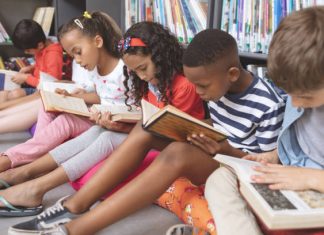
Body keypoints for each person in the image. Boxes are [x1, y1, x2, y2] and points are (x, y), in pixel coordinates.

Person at [8, 28, 285, 235]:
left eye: (202, 88)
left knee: (176, 152)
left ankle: (76, 229)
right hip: (216, 149)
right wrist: (198, 130)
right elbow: (221, 125)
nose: (199, 93)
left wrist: (224, 149)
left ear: (233, 74)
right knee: (146, 127)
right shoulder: (218, 85)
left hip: (235, 165)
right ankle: (75, 206)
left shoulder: (268, 104)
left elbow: (261, 167)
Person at [0, 21, 204, 217]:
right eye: (135, 72)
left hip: (173, 146)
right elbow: (147, 121)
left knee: (108, 138)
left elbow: (170, 134)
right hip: (149, 136)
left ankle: (36, 186)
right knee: (99, 131)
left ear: (160, 57)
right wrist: (119, 124)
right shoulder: (150, 83)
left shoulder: (183, 86)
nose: (140, 76)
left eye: (143, 68)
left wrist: (124, 128)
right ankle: (24, 174)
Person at [204, 6, 324, 235]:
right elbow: (299, 138)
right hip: (291, 171)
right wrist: (273, 156)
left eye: (305, 97)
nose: (295, 103)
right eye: (290, 94)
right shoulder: (302, 84)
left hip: (315, 183)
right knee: (220, 180)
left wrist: (309, 178)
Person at [0, 11, 125, 176]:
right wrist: (73, 96)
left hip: (108, 121)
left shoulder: (123, 70)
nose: (77, 60)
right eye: (73, 55)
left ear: (98, 41)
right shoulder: (95, 68)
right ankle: (35, 150)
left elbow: (132, 106)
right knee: (47, 106)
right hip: (96, 113)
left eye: (78, 52)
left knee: (65, 121)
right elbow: (101, 96)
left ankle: (10, 159)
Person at [0, 60, 95, 134]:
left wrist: (78, 94)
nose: (78, 60)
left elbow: (97, 96)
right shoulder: (81, 62)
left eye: (78, 52)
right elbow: (78, 84)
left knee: (43, 100)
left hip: (81, 101)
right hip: (69, 91)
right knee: (38, 97)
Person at [0, 19, 63, 104]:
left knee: (14, 94)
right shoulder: (41, 47)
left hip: (44, 89)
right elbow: (43, 66)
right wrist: (31, 68)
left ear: (40, 45)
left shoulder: (53, 55)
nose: (26, 53)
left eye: (28, 50)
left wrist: (26, 78)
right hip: (36, 83)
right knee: (3, 93)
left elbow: (51, 83)